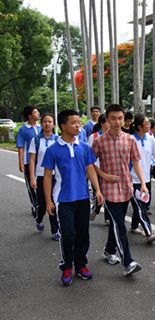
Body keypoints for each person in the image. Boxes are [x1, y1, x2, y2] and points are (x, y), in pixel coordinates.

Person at [42, 109, 103, 286]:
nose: (78, 125)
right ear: (63, 126)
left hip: (83, 198)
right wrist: (48, 201)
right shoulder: (53, 150)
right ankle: (67, 266)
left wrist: (97, 190)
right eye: (74, 122)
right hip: (63, 200)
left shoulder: (84, 147)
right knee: (68, 235)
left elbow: (90, 168)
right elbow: (47, 176)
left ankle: (81, 265)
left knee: (83, 235)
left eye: (79, 122)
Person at [92, 104, 147, 276]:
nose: (117, 122)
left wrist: (143, 183)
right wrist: (103, 176)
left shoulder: (130, 139)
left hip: (126, 187)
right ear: (107, 119)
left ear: (124, 120)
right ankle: (127, 262)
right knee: (120, 225)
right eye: (113, 118)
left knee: (117, 222)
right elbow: (90, 165)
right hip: (108, 189)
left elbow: (136, 162)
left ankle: (109, 250)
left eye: (120, 118)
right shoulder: (99, 141)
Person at [129, 113, 155, 244]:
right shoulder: (130, 139)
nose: (149, 125)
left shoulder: (150, 139)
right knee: (140, 207)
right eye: (146, 123)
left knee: (143, 205)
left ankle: (134, 226)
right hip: (133, 180)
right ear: (139, 126)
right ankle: (149, 232)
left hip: (146, 179)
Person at [28, 113, 59, 240]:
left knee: (53, 201)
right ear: (42, 123)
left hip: (54, 176)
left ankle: (55, 230)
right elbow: (32, 159)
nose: (47, 124)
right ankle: (39, 218)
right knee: (42, 202)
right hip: (41, 176)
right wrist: (32, 177)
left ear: (54, 124)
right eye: (45, 121)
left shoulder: (57, 140)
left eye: (50, 121)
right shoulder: (35, 140)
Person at [16, 106, 41, 217]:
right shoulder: (23, 129)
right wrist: (21, 162)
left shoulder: (42, 127)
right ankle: (35, 205)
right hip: (28, 161)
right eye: (35, 112)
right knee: (31, 185)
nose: (38, 113)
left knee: (41, 183)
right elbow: (21, 147)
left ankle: (41, 203)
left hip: (41, 161)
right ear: (29, 115)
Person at [88, 114, 111, 224]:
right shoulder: (94, 136)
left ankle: (107, 217)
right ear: (102, 123)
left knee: (108, 194)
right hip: (95, 168)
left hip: (108, 168)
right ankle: (96, 209)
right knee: (99, 193)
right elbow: (89, 154)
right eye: (108, 121)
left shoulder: (112, 135)